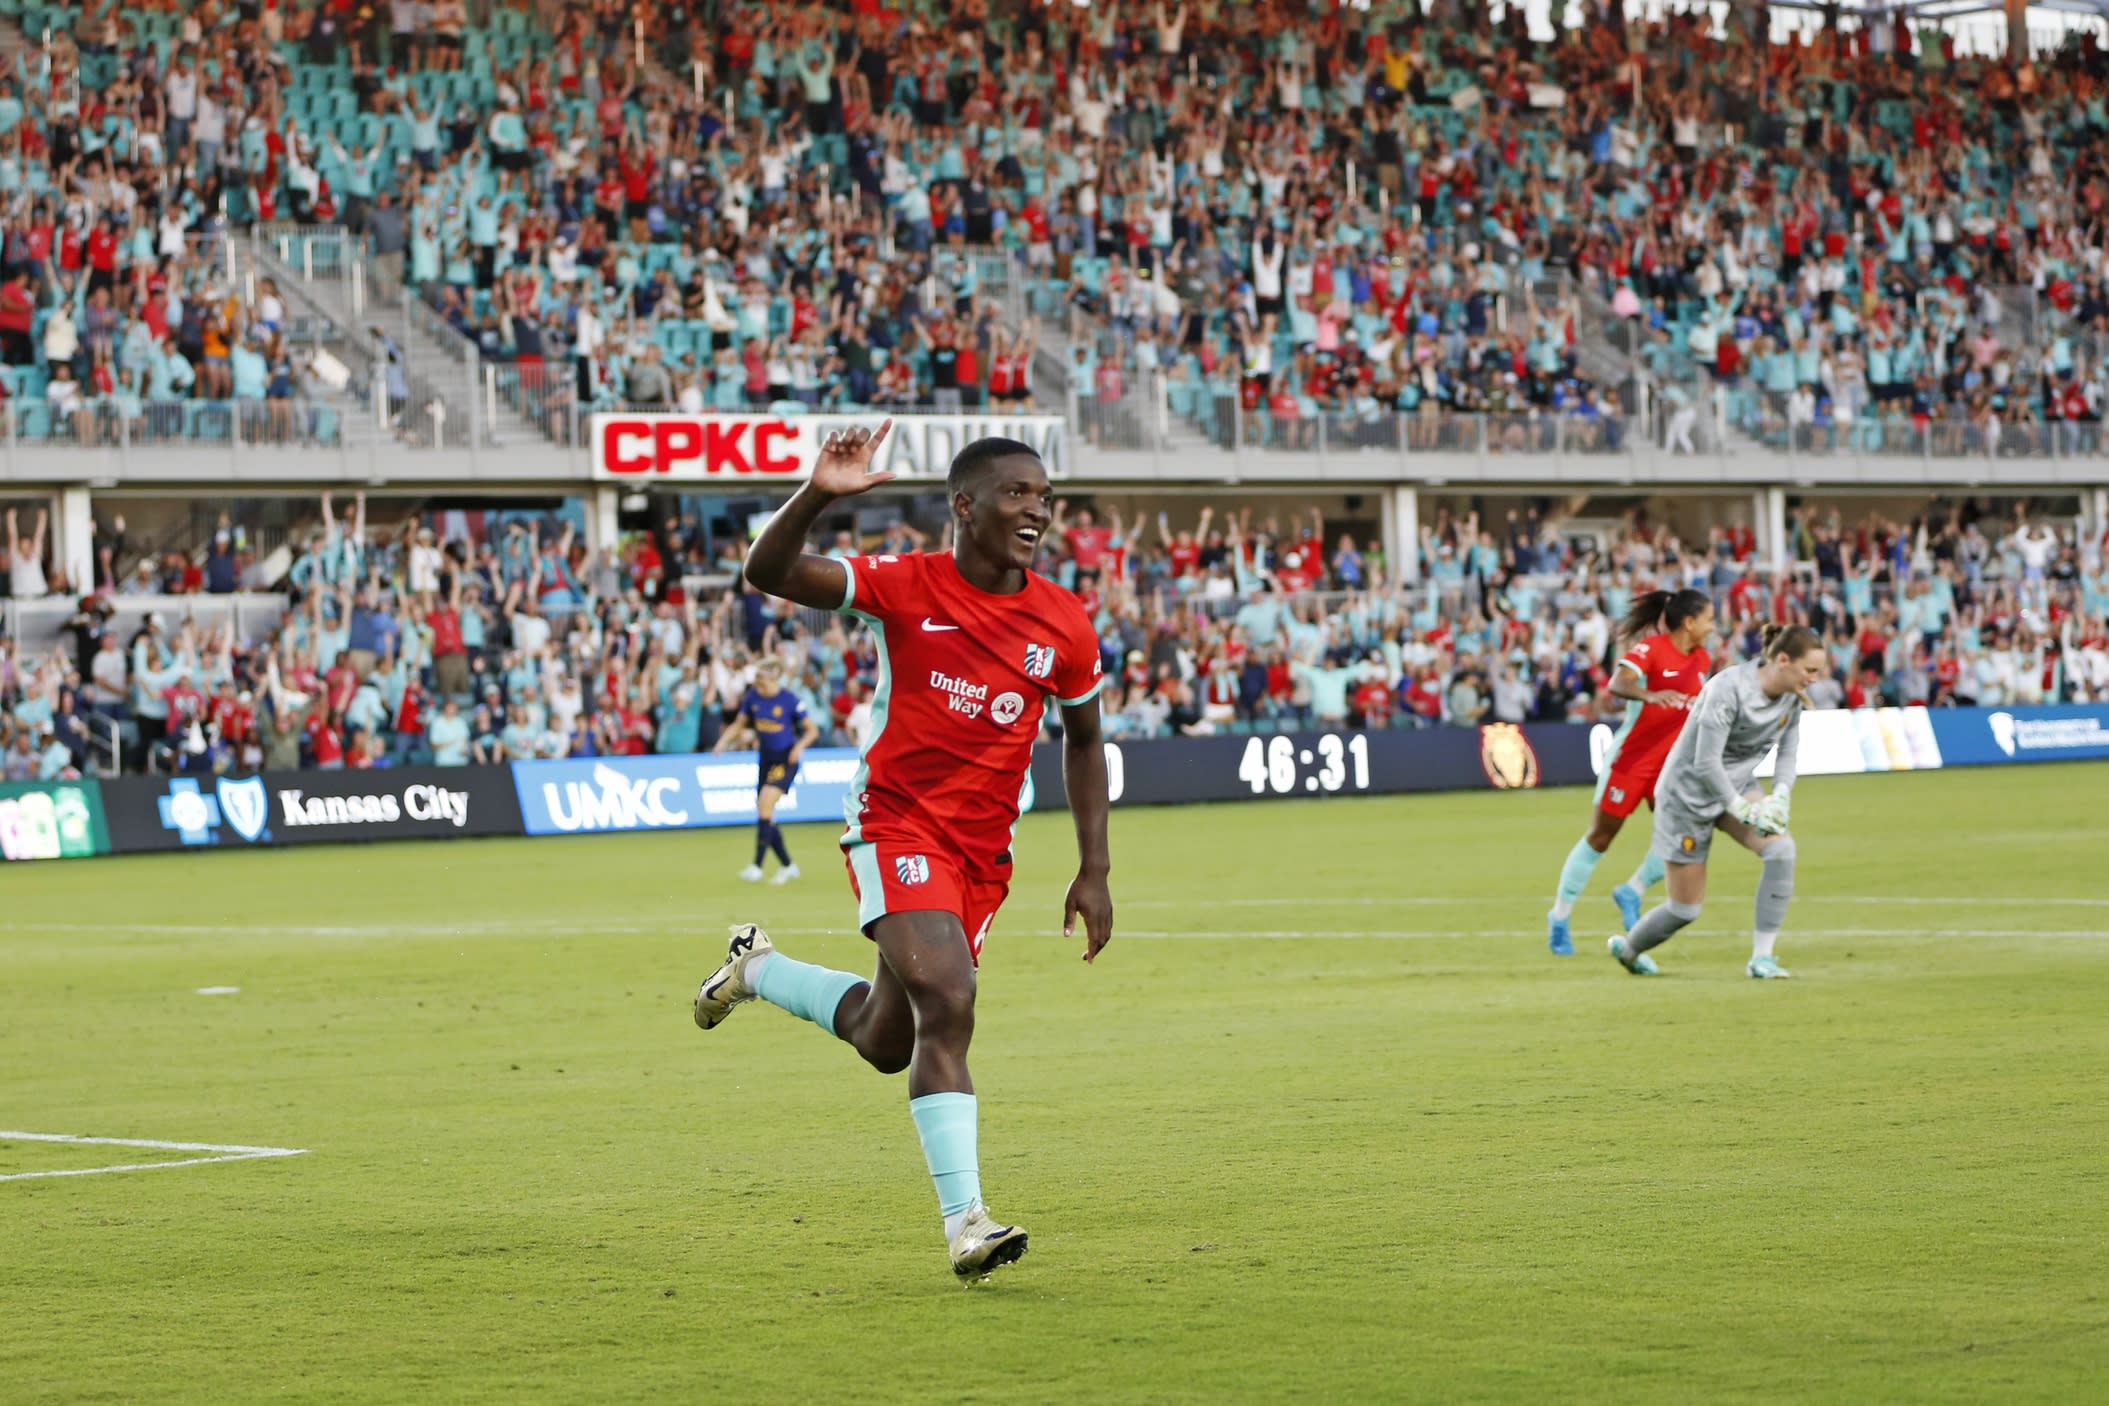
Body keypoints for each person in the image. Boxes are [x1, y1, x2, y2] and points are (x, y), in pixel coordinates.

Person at [690, 425, 1113, 1279]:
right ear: (964, 505)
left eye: (1044, 497)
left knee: (889, 1038)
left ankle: (757, 969)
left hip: (981, 854)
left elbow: (1082, 739)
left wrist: (1093, 866)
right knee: (948, 1001)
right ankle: (968, 1223)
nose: (1036, 510)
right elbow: (767, 575)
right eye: (1016, 494)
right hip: (897, 821)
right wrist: (817, 495)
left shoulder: (1063, 622)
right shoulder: (903, 583)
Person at [1609, 623, 1823, 981]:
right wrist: (1743, 808)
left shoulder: (1792, 698)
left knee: (1781, 850)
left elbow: (1787, 755)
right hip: (1685, 798)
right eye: (1810, 670)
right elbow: (1705, 763)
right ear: (1783, 660)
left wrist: (1780, 796)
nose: (1815, 679)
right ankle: (1629, 951)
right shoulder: (1728, 689)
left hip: (1736, 786)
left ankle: (1762, 959)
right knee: (1684, 909)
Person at [1546, 588, 1715, 956]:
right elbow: (1618, 683)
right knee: (1600, 838)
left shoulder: (1703, 659)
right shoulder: (1652, 650)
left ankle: (1631, 890)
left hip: (1668, 769)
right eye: (1709, 619)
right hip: (1630, 762)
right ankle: (1559, 917)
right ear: (1689, 622)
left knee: (1681, 837)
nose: (1712, 627)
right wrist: (1649, 695)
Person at [712, 656, 820, 885]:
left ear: (774, 680)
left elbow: (812, 730)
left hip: (785, 759)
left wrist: (799, 747)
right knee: (765, 813)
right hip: (766, 760)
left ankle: (757, 866)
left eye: (762, 683)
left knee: (765, 805)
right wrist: (723, 742)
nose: (759, 687)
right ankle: (788, 866)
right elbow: (739, 724)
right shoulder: (753, 698)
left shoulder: (789, 700)